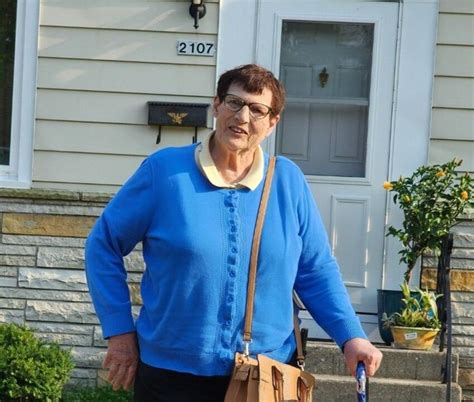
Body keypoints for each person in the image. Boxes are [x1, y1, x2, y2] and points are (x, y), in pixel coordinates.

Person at [85, 64, 382, 401]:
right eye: (234, 102)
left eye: (257, 110)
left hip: (265, 376)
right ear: (216, 105)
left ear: (272, 123)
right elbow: (103, 245)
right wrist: (119, 331)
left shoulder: (288, 181)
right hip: (170, 377)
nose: (242, 117)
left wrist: (351, 336)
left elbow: (315, 269)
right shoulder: (164, 172)